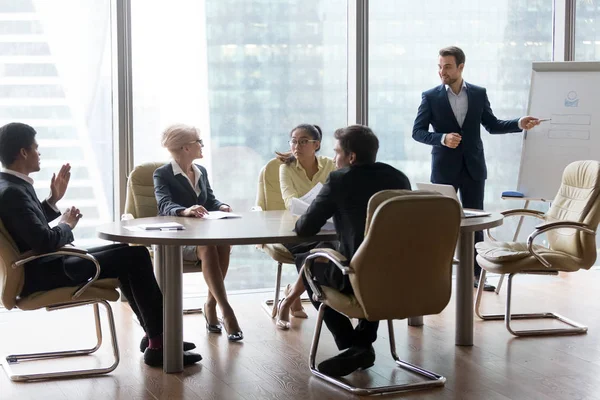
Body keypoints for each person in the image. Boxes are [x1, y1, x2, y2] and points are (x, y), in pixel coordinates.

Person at [0, 122, 202, 367]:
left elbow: (28, 228)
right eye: (35, 148)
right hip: (46, 271)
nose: (38, 153)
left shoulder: (12, 186)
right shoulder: (13, 193)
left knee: (129, 252)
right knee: (135, 258)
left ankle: (155, 335)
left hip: (45, 265)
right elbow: (44, 241)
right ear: (23, 153)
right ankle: (159, 342)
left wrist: (53, 200)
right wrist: (66, 224)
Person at [412, 45, 541, 291]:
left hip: (473, 167)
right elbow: (417, 132)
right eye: (439, 66)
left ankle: (475, 277)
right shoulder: (430, 96)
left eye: (447, 66)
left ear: (461, 67)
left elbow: (491, 124)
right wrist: (441, 138)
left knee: (475, 224)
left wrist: (519, 123)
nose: (442, 71)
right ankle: (435, 277)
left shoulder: (479, 94)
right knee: (440, 224)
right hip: (443, 171)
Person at [291, 125, 411, 377]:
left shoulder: (340, 179)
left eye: (337, 152)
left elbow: (305, 227)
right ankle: (362, 344)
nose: (334, 159)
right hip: (399, 275)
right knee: (371, 260)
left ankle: (353, 346)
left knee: (307, 261)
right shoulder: (399, 178)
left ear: (351, 157)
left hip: (355, 275)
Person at [153, 124, 243, 341]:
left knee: (223, 243)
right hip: (177, 239)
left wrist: (221, 206)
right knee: (208, 247)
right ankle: (226, 311)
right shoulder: (163, 174)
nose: (202, 145)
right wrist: (185, 210)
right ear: (185, 148)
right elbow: (164, 204)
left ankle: (210, 305)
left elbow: (210, 200)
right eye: (198, 142)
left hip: (203, 235)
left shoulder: (201, 171)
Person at [275, 124, 336, 330]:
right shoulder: (286, 168)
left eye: (303, 141)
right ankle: (291, 299)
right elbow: (289, 201)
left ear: (316, 144)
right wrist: (319, 207)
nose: (296, 146)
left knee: (327, 249)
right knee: (317, 253)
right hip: (295, 227)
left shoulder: (330, 165)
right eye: (293, 141)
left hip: (326, 226)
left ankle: (290, 296)